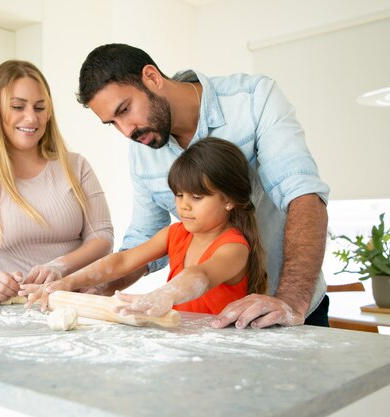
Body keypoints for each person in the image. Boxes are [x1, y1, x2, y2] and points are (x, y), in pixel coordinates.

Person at [76, 43, 330, 329]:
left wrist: (291, 301)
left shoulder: (253, 99)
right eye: (112, 123)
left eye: (125, 110)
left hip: (293, 306)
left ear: (152, 77)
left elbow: (303, 195)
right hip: (214, 324)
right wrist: (103, 287)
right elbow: (141, 242)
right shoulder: (141, 146)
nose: (126, 130)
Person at [20, 137, 267, 317]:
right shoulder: (176, 234)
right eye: (179, 195)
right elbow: (122, 261)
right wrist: (66, 282)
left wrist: (162, 295)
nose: (184, 206)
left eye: (197, 197)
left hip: (221, 352)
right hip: (184, 344)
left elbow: (199, 276)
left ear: (229, 200)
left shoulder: (235, 248)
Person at [0, 60, 114, 305]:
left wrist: (59, 267)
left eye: (39, 107)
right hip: (18, 310)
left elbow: (102, 238)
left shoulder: (76, 166)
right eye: (17, 106)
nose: (31, 117)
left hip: (78, 303)